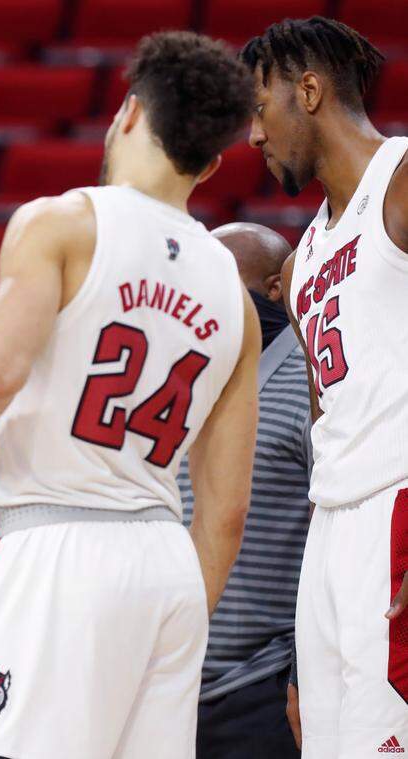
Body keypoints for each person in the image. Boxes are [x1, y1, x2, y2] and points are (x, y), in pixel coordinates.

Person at [0, 31, 260, 758]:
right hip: (169, 567)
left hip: (60, 551)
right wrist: (166, 615)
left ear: (130, 112)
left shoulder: (63, 224)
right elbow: (227, 511)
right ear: (212, 160)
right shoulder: (234, 293)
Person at [242, 17, 408, 757]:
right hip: (334, 535)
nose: (252, 135)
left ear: (308, 91)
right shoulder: (305, 252)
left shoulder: (401, 181)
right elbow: (323, 429)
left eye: (259, 107)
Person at [178, 222, 311, 759]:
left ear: (274, 287)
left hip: (264, 685)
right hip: (168, 680)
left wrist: (304, 668)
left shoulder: (312, 383)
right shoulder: (177, 383)